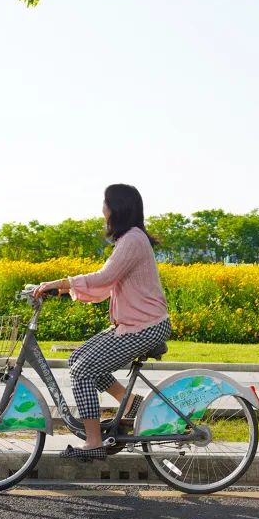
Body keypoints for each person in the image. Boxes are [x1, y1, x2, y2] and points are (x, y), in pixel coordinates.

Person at [32, 184, 171, 461]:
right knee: (77, 359)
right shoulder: (130, 239)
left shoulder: (133, 240)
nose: (102, 209)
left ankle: (94, 442)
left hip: (145, 327)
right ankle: (130, 404)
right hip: (135, 324)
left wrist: (60, 281)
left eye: (105, 203)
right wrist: (62, 291)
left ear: (117, 208)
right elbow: (107, 285)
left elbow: (103, 277)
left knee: (82, 371)